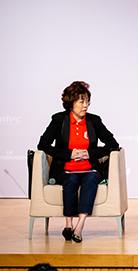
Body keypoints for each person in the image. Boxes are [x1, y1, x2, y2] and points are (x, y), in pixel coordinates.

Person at [37, 81, 119, 242]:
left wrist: (90, 154)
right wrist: (69, 154)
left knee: (90, 180)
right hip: (65, 169)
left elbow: (113, 144)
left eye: (87, 101)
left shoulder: (94, 121)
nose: (85, 105)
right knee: (71, 180)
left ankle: (79, 225)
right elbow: (43, 145)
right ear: (71, 102)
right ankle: (68, 224)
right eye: (81, 101)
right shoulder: (59, 120)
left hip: (89, 169)